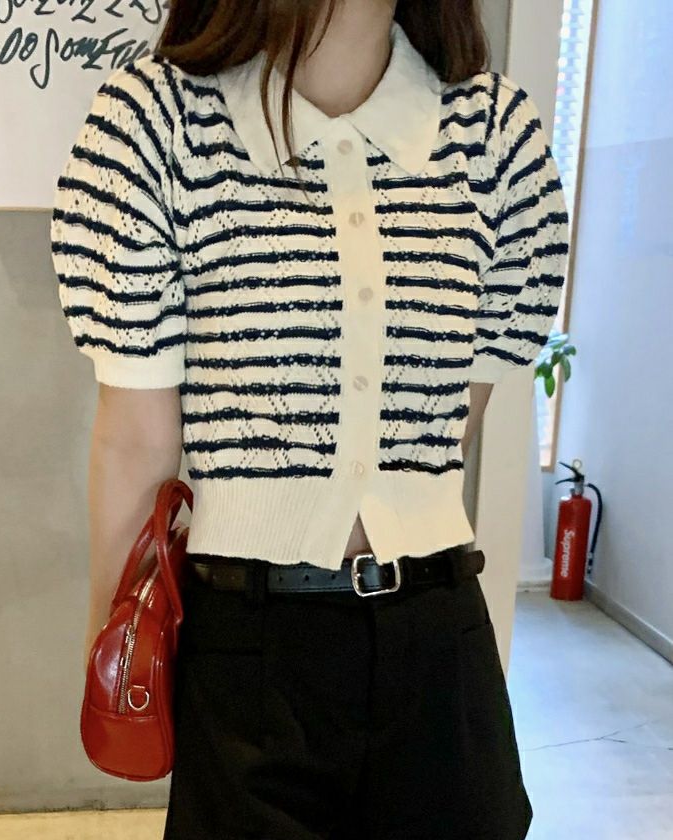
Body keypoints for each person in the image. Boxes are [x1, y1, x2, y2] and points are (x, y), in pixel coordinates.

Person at [50, 0, 569, 837]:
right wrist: (115, 648)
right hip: (246, 650)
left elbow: (447, 427)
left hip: (438, 644)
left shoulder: (495, 138)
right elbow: (136, 440)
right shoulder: (155, 124)